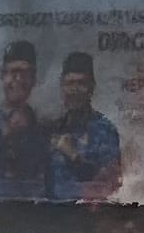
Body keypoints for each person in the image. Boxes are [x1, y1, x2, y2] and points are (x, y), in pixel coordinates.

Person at [0, 43, 50, 202]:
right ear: (2, 75)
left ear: (33, 78)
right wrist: (2, 139)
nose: (19, 80)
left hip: (37, 215)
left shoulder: (45, 130)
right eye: (13, 73)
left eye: (25, 73)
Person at [45, 51, 124, 201]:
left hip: (88, 216)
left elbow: (110, 184)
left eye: (81, 83)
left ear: (91, 88)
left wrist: (74, 157)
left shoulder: (105, 130)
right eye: (70, 83)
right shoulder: (52, 128)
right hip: (50, 215)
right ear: (62, 86)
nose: (74, 90)